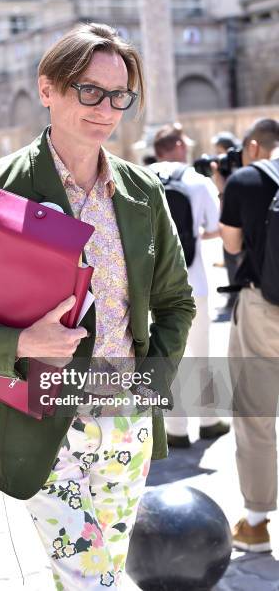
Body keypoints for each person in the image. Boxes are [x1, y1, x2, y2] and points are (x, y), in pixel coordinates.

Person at [0, 23, 195, 589]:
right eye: (90, 91)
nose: (106, 108)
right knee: (96, 581)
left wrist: (148, 385)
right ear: (48, 88)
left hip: (126, 421)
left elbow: (176, 303)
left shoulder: (143, 191)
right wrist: (21, 344)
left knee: (98, 574)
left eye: (120, 96)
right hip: (39, 421)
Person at [150, 123, 230, 448]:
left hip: (152, 290)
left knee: (165, 357)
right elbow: (216, 227)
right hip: (192, 284)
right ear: (180, 147)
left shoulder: (137, 179)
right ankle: (209, 421)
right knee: (202, 355)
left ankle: (176, 429)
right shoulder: (198, 182)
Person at [220, 118, 279, 552]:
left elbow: (234, 247)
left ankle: (255, 523)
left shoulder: (244, 180)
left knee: (255, 412)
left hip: (266, 310)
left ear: (255, 147)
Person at [211, 131, 243, 310]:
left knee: (232, 257)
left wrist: (217, 174)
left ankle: (235, 298)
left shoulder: (230, 169)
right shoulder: (237, 164)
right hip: (235, 217)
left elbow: (224, 190)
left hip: (232, 219)